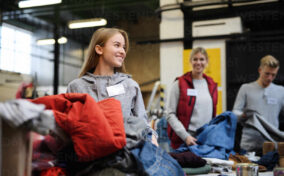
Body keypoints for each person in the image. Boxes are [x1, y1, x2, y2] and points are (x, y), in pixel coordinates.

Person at [66, 28, 184, 175]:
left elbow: (142, 123)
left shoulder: (130, 85)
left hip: (127, 157)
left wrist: (152, 137)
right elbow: (71, 129)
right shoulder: (77, 86)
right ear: (99, 49)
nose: (122, 51)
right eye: (117, 45)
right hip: (91, 160)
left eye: (124, 47)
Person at [166, 47, 218, 149]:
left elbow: (213, 115)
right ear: (190, 61)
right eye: (195, 59)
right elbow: (170, 114)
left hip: (204, 140)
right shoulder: (179, 83)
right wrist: (186, 136)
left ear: (206, 62)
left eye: (202, 59)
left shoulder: (211, 85)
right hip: (183, 141)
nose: (198, 62)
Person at [233, 55, 284, 154]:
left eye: (273, 75)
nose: (270, 78)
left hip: (271, 144)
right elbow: (235, 112)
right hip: (249, 143)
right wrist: (243, 115)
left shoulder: (281, 91)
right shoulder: (246, 88)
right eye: (267, 74)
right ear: (260, 70)